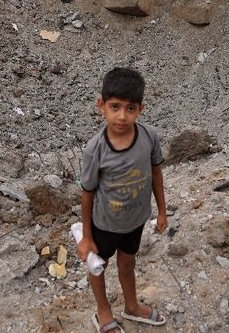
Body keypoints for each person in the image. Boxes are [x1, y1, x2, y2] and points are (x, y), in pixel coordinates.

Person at [78, 68, 168, 333]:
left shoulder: (149, 136)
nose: (122, 116)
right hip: (104, 224)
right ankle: (103, 311)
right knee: (98, 266)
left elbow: (155, 173)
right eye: (115, 107)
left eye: (130, 108)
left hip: (136, 220)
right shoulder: (96, 149)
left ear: (140, 109)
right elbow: (87, 192)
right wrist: (86, 236)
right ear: (101, 106)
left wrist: (162, 211)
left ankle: (131, 306)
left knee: (128, 263)